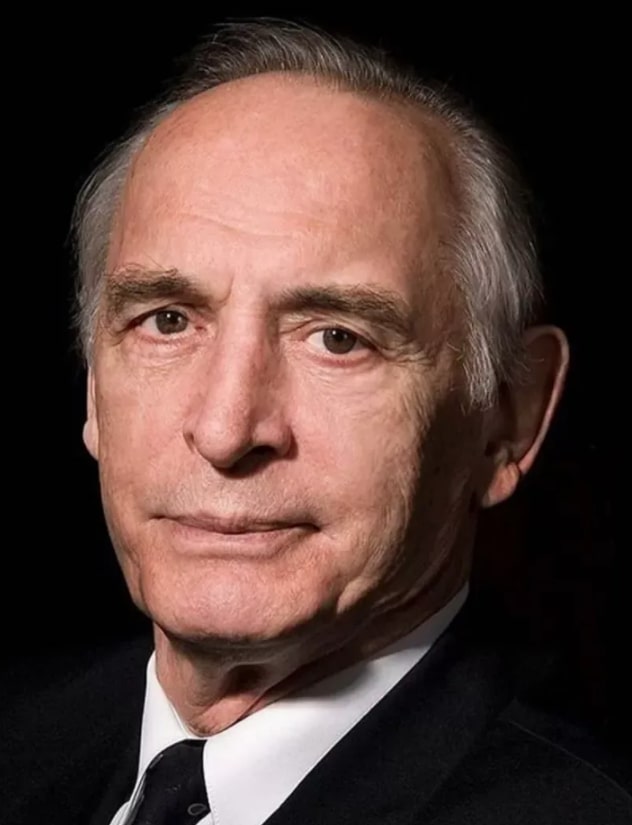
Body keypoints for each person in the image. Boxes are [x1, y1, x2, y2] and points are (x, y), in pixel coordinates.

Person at [4, 18, 630, 825]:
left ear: (509, 416)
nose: (227, 429)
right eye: (167, 321)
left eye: (338, 338)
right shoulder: (20, 740)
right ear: (94, 386)